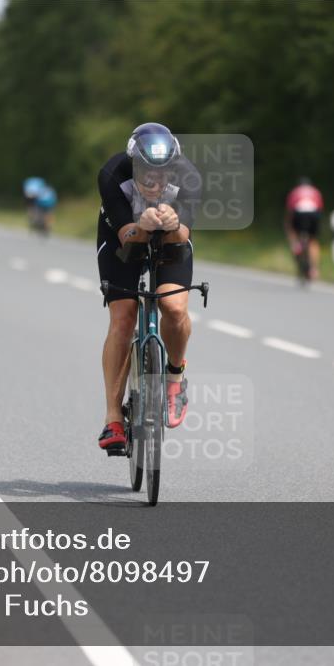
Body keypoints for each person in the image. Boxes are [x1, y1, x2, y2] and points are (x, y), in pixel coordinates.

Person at [96, 123, 201, 452]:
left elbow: (183, 235)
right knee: (123, 318)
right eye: (146, 173)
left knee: (174, 307)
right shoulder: (113, 174)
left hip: (170, 240)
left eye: (162, 173)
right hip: (122, 239)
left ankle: (174, 376)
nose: (154, 182)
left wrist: (173, 224)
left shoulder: (188, 178)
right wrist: (140, 226)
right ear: (134, 164)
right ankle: (113, 417)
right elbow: (126, 236)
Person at [284, 177, 325, 280]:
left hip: (298, 214)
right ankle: (314, 269)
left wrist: (289, 228)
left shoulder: (294, 192)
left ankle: (296, 246)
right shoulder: (315, 191)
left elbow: (290, 212)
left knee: (292, 229)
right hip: (314, 214)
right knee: (313, 241)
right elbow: (320, 209)